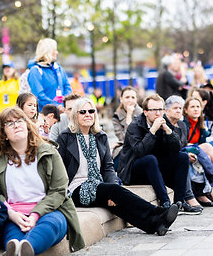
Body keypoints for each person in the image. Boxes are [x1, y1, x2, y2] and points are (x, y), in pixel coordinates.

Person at [58, 98, 179, 236]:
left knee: (116, 200)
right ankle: (159, 213)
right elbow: (59, 170)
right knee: (115, 191)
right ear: (75, 115)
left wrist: (110, 192)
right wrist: (110, 190)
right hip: (75, 189)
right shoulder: (66, 138)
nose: (88, 114)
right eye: (83, 112)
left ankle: (154, 224)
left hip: (98, 185)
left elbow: (108, 167)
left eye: (91, 111)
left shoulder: (100, 136)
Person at [0, 107, 85, 255]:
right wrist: (10, 212)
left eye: (19, 121)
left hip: (50, 211)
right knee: (12, 237)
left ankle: (27, 248)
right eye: (9, 123)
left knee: (52, 225)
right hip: (12, 215)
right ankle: (16, 249)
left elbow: (59, 190)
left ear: (27, 125)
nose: (16, 125)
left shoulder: (49, 152)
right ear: (4, 133)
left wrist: (35, 214)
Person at [28, 38, 72, 110]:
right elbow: (39, 96)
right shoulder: (35, 71)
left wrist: (65, 103)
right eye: (55, 50)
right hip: (46, 114)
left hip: (62, 111)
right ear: (47, 51)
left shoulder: (58, 68)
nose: (57, 52)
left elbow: (67, 86)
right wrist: (56, 106)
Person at [111, 86, 142, 167]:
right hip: (124, 150)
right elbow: (125, 139)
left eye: (133, 97)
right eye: (127, 97)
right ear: (121, 99)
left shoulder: (143, 114)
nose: (130, 100)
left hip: (140, 149)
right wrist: (128, 115)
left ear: (136, 99)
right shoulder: (116, 117)